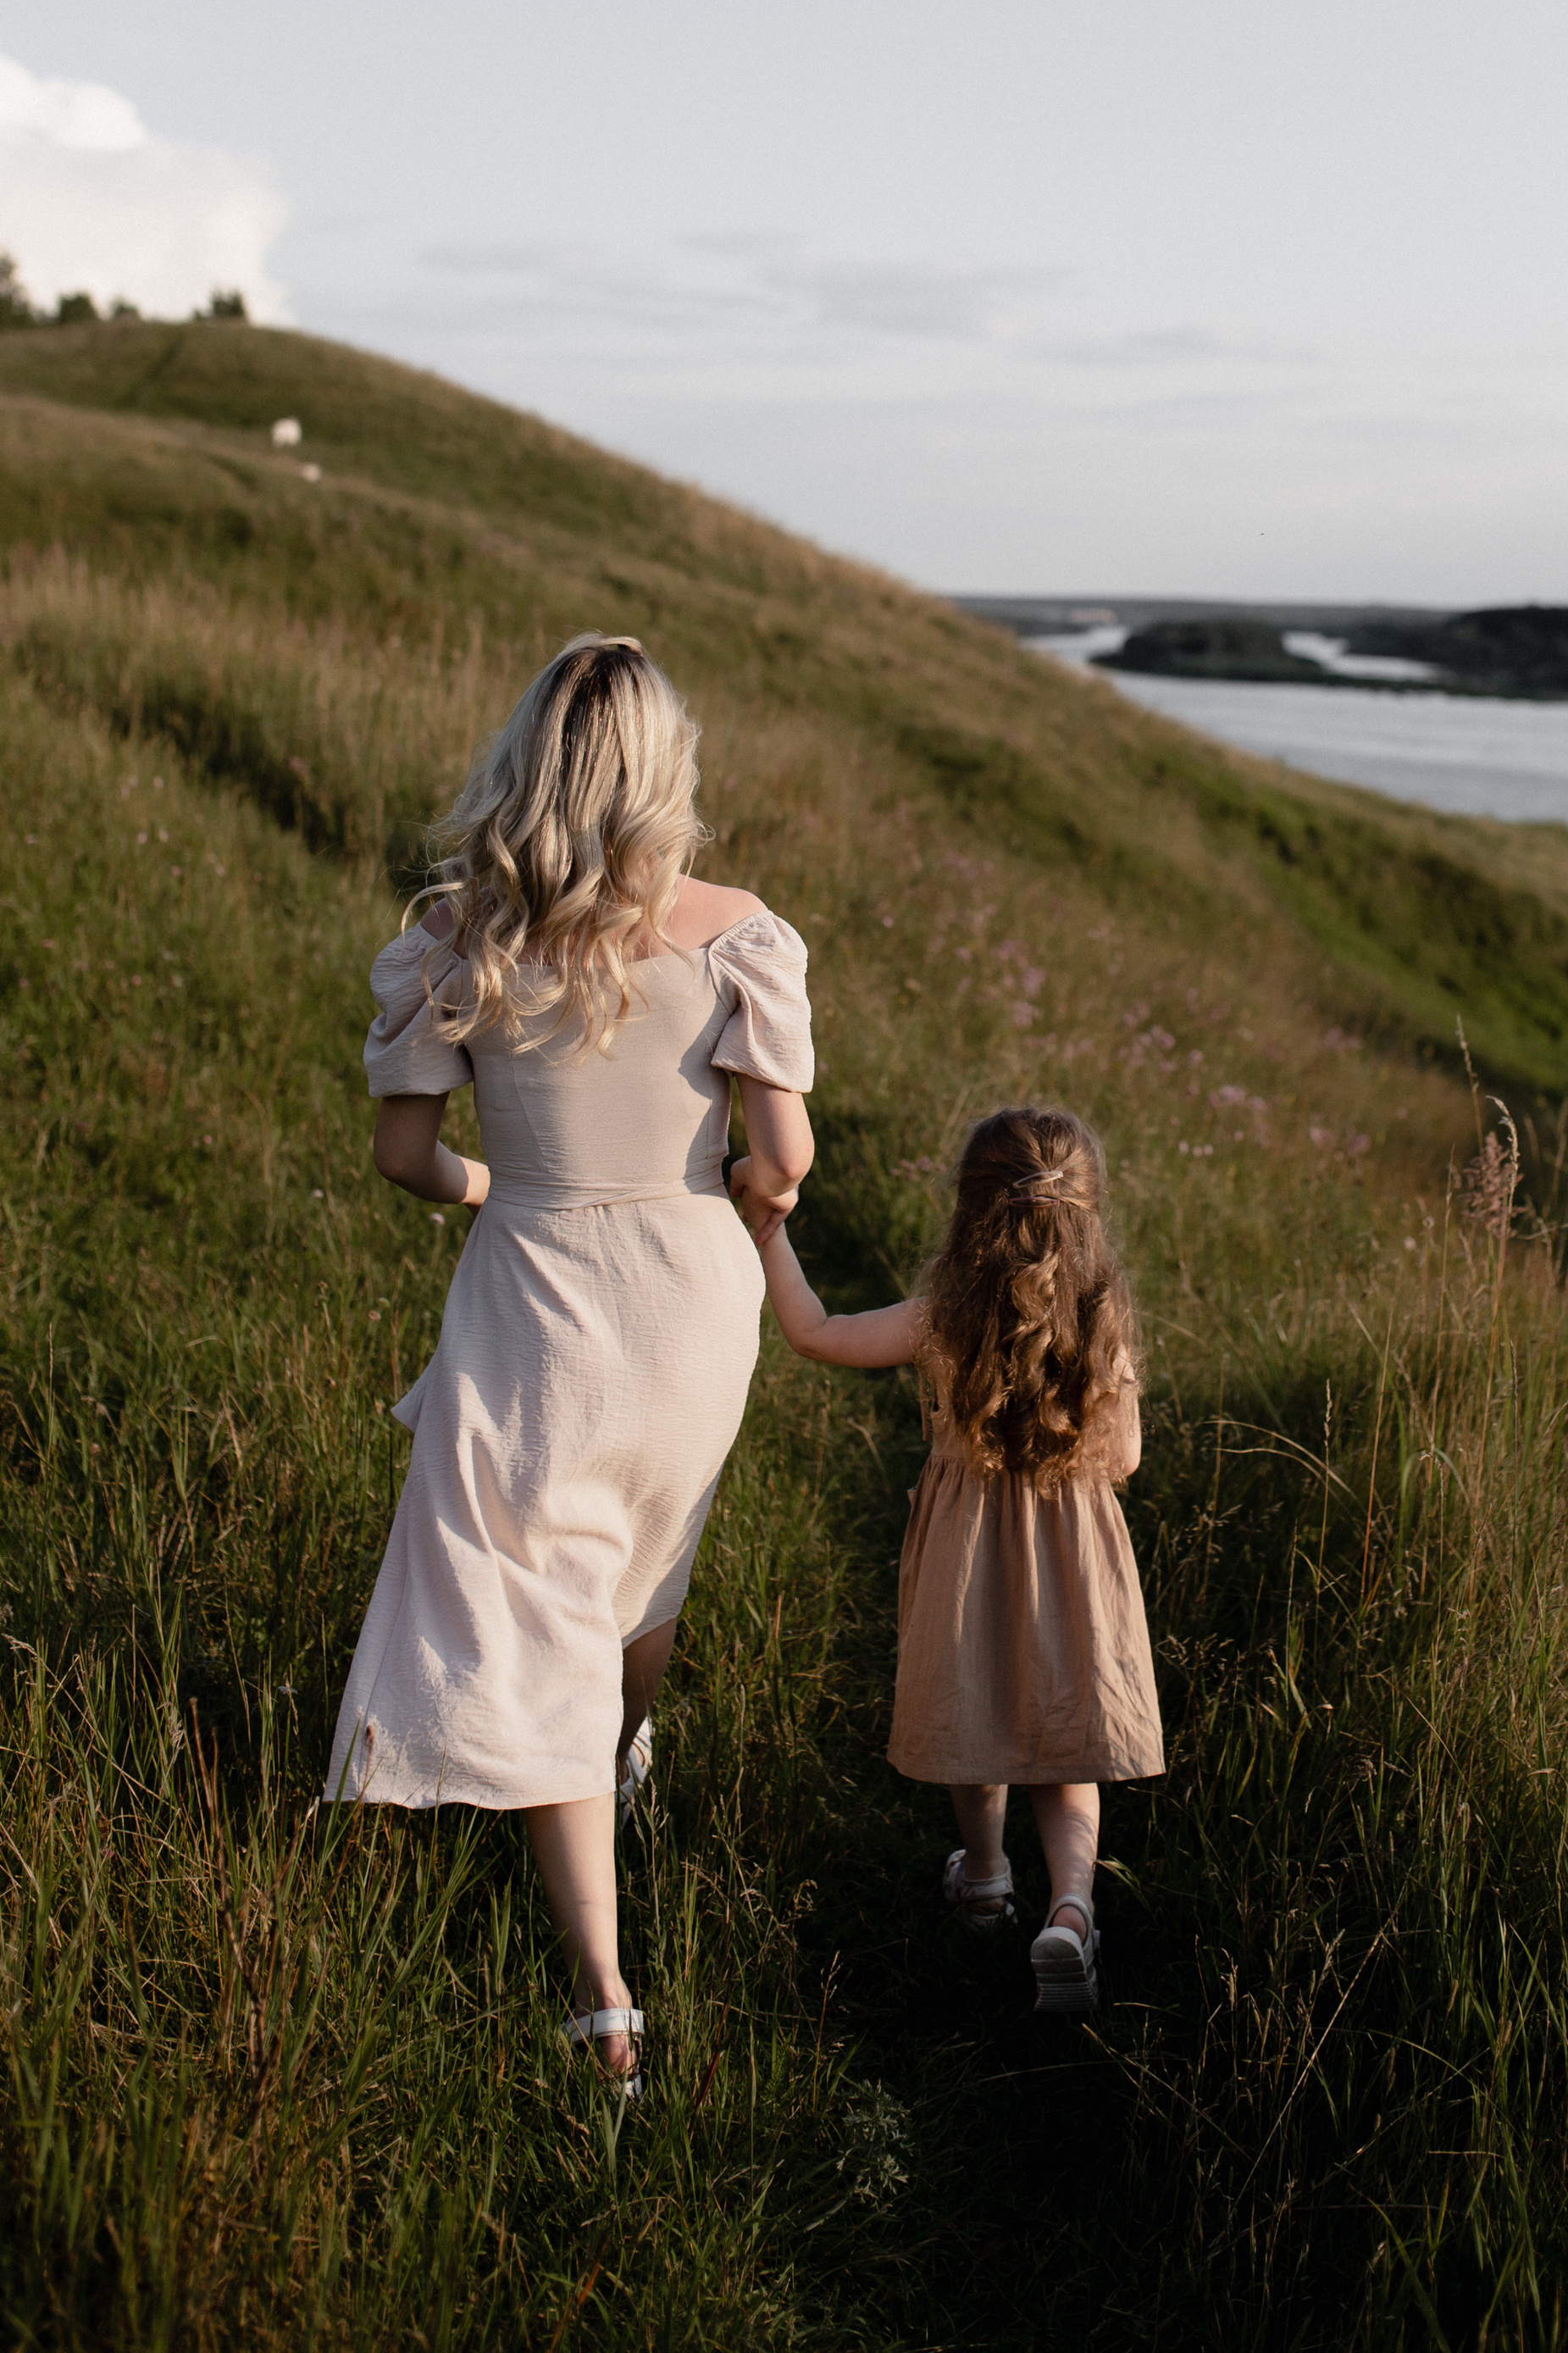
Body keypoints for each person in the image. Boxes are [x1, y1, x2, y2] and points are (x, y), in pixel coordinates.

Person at [324, 634, 816, 2095]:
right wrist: (741, 1187)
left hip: (534, 1295)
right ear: (668, 767)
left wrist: (500, 1193)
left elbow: (404, 1155)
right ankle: (623, 1750)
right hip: (692, 1304)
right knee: (641, 1572)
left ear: (525, 757)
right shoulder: (739, 936)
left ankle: (603, 1994)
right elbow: (780, 1157)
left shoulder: (460, 936)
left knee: (529, 1594)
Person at [747, 1104, 1162, 2014]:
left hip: (967, 1557)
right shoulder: (1102, 1324)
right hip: (1076, 1564)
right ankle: (1070, 1909)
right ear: (1086, 1216)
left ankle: (982, 1878)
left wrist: (769, 1234)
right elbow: (1125, 1458)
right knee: (1069, 1740)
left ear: (969, 1212)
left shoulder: (943, 1318)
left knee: (977, 1718)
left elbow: (816, 1331)